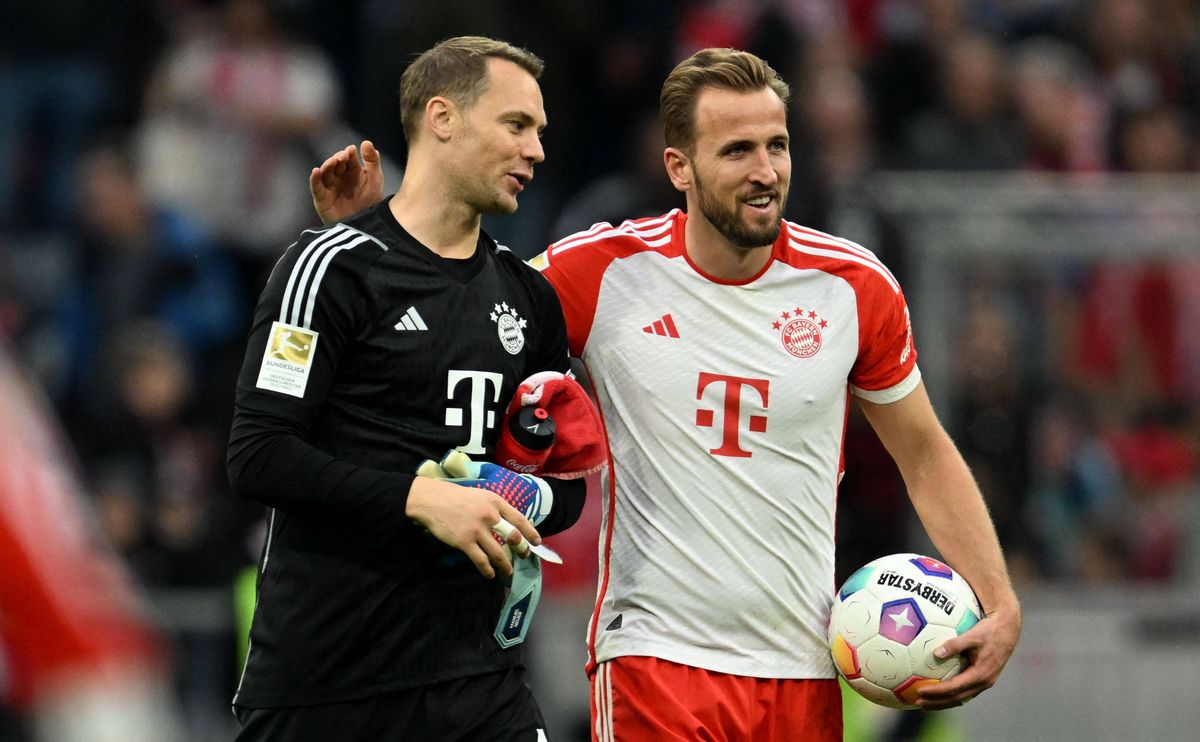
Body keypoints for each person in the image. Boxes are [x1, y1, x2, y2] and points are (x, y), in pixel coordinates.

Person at [312, 47, 1022, 741]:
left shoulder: (854, 287)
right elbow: (449, 323)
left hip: (801, 668)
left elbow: (923, 453)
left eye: (777, 145)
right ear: (678, 167)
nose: (766, 171)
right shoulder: (601, 272)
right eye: (737, 150)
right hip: (654, 659)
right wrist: (368, 242)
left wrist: (999, 601)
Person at [227, 36, 588, 741]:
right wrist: (422, 499)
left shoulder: (528, 299)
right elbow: (258, 454)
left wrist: (523, 496)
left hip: (479, 687)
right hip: (326, 687)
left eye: (540, 132)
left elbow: (566, 480)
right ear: (442, 118)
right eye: (517, 125)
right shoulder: (330, 266)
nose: (537, 150)